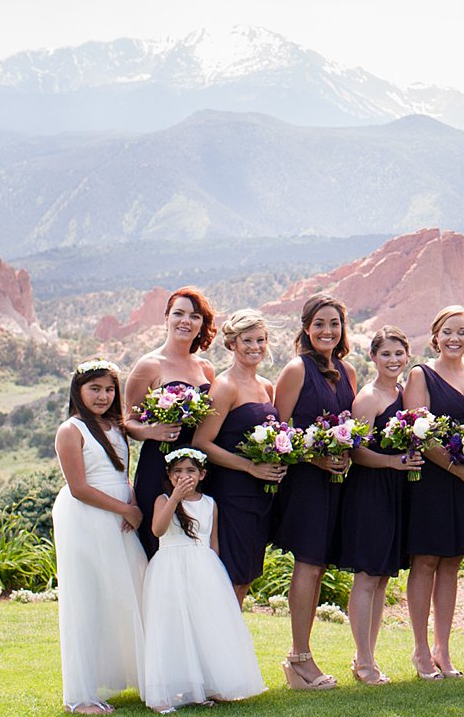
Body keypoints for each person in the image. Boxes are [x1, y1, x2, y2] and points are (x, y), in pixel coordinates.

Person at [405, 305, 464, 675]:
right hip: (435, 480)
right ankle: (418, 650)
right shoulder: (421, 375)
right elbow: (419, 434)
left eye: (461, 332)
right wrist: (460, 471)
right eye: (447, 331)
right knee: (427, 560)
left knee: (453, 563)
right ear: (435, 335)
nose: (454, 338)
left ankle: (442, 651)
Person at [267, 294, 356, 690]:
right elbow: (277, 434)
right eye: (319, 323)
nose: (327, 331)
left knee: (319, 566)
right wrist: (317, 459)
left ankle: (302, 656)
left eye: (334, 324)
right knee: (308, 563)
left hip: (337, 480)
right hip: (305, 481)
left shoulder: (348, 370)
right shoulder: (295, 370)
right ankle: (299, 658)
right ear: (306, 329)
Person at [138, 449, 266, 713]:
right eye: (178, 472)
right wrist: (175, 498)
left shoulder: (210, 504)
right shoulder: (163, 500)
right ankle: (166, 690)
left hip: (202, 569)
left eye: (190, 471)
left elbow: (213, 543)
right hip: (170, 568)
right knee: (172, 626)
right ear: (170, 476)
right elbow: (158, 530)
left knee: (201, 626)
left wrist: (214, 576)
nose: (184, 476)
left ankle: (201, 685)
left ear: (202, 474)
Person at [52, 360, 146, 714]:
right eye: (95, 389)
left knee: (130, 591)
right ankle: (79, 695)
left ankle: (140, 674)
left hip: (120, 516)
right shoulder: (71, 430)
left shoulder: (116, 427)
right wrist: (125, 510)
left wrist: (131, 501)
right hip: (87, 518)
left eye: (109, 389)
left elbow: (122, 474)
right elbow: (79, 488)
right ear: (78, 390)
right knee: (88, 599)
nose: (103, 396)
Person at [335, 327, 423, 684]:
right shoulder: (368, 398)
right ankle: (363, 660)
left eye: (399, 354)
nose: (393, 360)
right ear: (373, 357)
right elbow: (355, 450)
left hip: (398, 491)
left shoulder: (404, 393)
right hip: (371, 491)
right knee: (367, 576)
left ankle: (367, 658)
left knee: (383, 578)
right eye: (385, 354)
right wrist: (391, 462)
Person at [191, 309, 286, 599]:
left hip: (261, 493)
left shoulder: (266, 386)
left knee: (247, 573)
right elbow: (201, 442)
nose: (255, 347)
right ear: (232, 343)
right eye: (247, 340)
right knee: (229, 572)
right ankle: (219, 641)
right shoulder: (225, 386)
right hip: (232, 493)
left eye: (260, 340)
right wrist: (249, 467)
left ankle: (230, 639)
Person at [122, 287, 218, 559]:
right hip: (159, 467)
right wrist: (153, 431)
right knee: (157, 545)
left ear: (202, 324)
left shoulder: (206, 368)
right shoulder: (149, 365)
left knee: (194, 544)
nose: (186, 321)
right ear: (166, 318)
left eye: (194, 316)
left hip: (196, 469)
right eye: (179, 313)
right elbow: (127, 421)